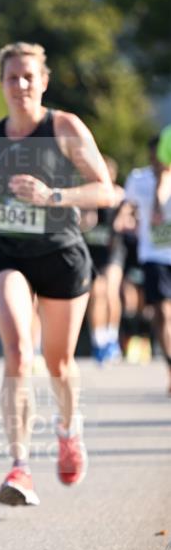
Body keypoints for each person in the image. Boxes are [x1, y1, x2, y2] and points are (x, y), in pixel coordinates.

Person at [0, 42, 114, 507]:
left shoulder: (64, 127)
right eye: (12, 77)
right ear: (2, 83)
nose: (21, 85)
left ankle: (69, 431)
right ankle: (20, 466)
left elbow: (105, 192)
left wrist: (52, 196)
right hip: (7, 251)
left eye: (29, 76)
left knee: (59, 364)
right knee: (16, 350)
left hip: (59, 253)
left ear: (43, 81)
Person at [123, 134, 171, 394]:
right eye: (154, 158)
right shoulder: (139, 179)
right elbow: (131, 209)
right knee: (162, 313)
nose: (157, 163)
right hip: (153, 256)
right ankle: (170, 366)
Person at [83, 156, 126, 364]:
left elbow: (127, 217)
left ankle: (112, 337)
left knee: (110, 292)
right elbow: (82, 223)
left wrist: (123, 217)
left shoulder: (119, 195)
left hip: (113, 252)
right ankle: (98, 339)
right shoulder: (87, 196)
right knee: (96, 295)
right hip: (93, 253)